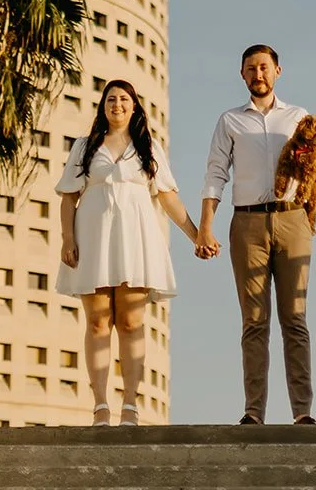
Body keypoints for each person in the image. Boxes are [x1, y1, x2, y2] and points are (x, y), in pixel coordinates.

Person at [195, 44, 316, 426]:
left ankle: (303, 412)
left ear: (277, 71)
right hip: (247, 225)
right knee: (254, 322)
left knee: (294, 317)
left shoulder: (298, 117)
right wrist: (205, 225)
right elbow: (214, 174)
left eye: (264, 67)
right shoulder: (230, 120)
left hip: (293, 221)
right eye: (250, 69)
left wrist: (308, 164)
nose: (258, 75)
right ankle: (253, 412)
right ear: (242, 75)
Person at [56, 79, 199, 425]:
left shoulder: (149, 148)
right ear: (103, 106)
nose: (117, 104)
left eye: (123, 99)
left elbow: (168, 197)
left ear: (134, 106)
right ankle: (100, 404)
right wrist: (67, 239)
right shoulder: (84, 147)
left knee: (132, 321)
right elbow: (68, 196)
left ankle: (131, 404)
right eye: (110, 99)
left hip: (135, 241)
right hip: (93, 239)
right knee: (97, 322)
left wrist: (197, 235)